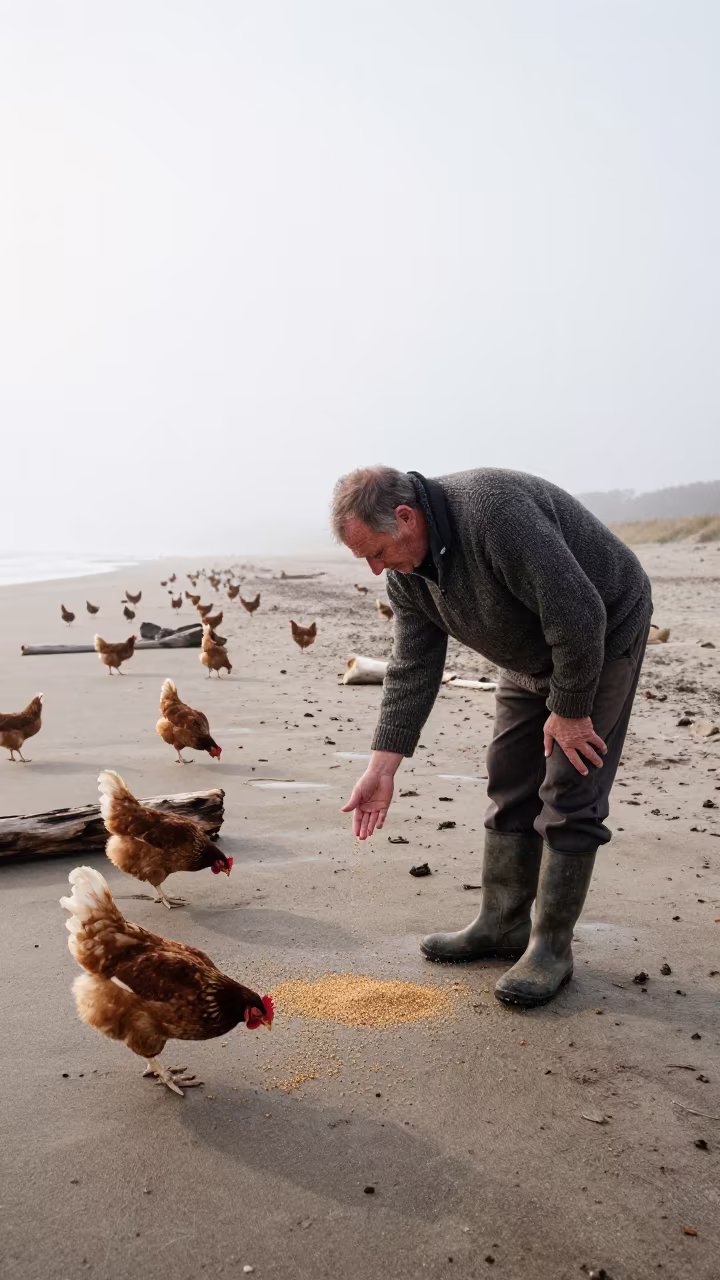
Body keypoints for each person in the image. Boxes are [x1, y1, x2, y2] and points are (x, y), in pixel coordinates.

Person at [332, 466, 652, 1007]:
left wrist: (570, 710)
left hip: (600, 635)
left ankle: (551, 948)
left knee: (569, 789)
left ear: (406, 519)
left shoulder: (494, 513)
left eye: (377, 551)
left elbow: (579, 613)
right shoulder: (406, 573)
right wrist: (382, 767)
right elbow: (413, 665)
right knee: (509, 777)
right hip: (528, 656)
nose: (374, 569)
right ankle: (503, 925)